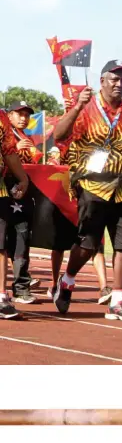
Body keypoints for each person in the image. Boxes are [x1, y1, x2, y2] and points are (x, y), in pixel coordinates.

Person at [52, 60, 122, 321]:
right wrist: (76, 108)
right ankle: (68, 279)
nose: (120, 84)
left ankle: (117, 301)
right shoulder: (87, 107)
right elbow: (59, 136)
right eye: (115, 79)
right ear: (103, 82)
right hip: (93, 186)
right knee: (87, 245)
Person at [45, 140, 112, 304]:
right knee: (59, 245)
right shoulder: (63, 149)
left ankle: (104, 287)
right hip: (64, 204)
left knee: (96, 243)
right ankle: (55, 284)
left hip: (90, 198)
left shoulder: (96, 145)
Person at [4, 101, 41, 304]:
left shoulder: (28, 138)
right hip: (5, 190)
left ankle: (21, 286)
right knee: (4, 241)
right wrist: (15, 149)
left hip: (24, 194)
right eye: (19, 114)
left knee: (22, 238)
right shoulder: (5, 135)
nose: (23, 118)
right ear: (9, 116)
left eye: (27, 115)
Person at [0, 109, 29, 318]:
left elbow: (8, 150)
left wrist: (23, 178)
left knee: (0, 244)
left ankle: (1, 297)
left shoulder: (1, 118)